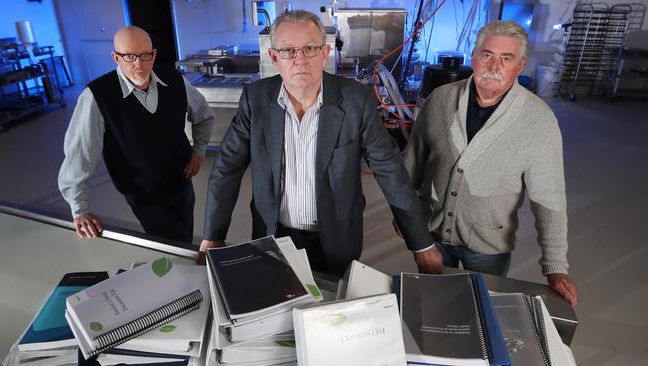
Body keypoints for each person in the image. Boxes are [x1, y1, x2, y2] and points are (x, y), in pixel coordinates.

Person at [197, 10, 442, 276]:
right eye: (289, 50)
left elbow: (389, 169)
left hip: (336, 238)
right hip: (273, 235)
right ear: (274, 57)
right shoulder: (255, 100)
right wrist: (213, 234)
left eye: (310, 49)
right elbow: (227, 168)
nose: (299, 59)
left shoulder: (355, 100)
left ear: (324, 53)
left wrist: (421, 243)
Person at [404, 20, 578, 307]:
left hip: (488, 247)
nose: (494, 66)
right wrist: (406, 217)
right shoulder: (440, 100)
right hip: (431, 233)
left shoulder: (539, 120)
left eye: (505, 59)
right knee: (431, 308)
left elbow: (550, 198)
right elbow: (412, 163)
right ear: (474, 57)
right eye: (487, 55)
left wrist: (556, 266)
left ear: (519, 67)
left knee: (480, 313)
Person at [58, 26, 215, 243]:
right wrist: (80, 209)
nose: (139, 64)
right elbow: (79, 156)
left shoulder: (175, 79)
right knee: (169, 243)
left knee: (184, 234)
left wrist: (198, 153)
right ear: (115, 57)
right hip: (144, 194)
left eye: (145, 55)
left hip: (182, 180)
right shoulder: (97, 96)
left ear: (154, 54)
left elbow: (205, 117)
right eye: (129, 56)